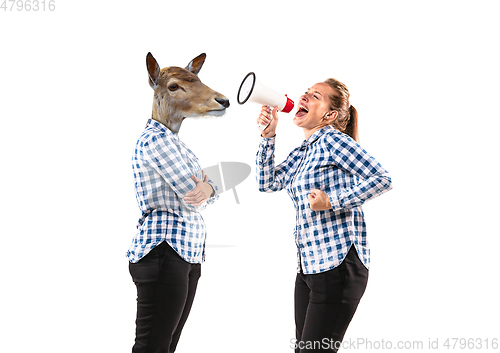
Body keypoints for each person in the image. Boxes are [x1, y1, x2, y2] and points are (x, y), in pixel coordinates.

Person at [256, 78, 393, 352]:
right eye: (305, 93)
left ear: (329, 115)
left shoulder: (333, 141)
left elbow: (382, 178)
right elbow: (267, 182)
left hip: (338, 265)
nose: (304, 97)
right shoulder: (303, 151)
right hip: (309, 268)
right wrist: (268, 137)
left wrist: (332, 201)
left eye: (315, 96)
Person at [127, 118, 218, 353]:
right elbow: (192, 192)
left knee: (165, 347)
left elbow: (207, 187)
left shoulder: (175, 143)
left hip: (186, 253)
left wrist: (209, 189)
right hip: (165, 251)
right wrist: (206, 189)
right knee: (152, 347)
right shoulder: (157, 139)